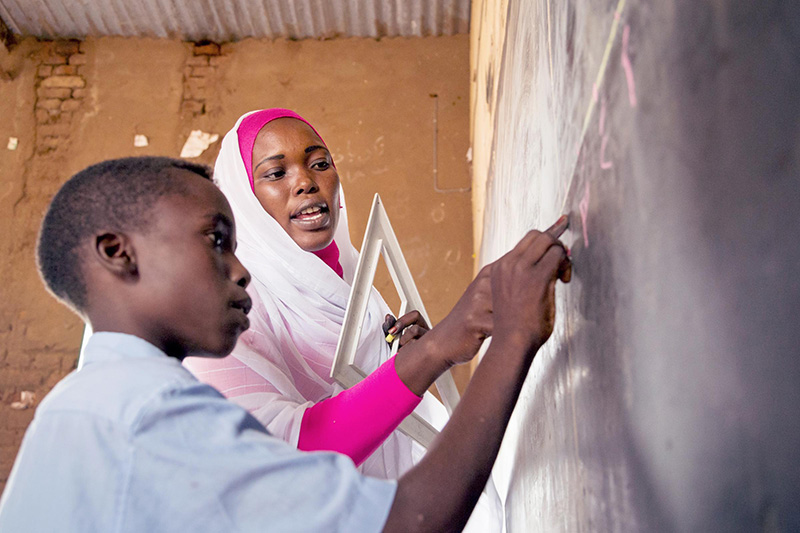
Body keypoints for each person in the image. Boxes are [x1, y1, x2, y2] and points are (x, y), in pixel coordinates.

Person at [0, 156, 571, 532]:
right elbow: (412, 521)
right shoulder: (145, 412)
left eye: (320, 163)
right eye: (216, 240)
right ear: (117, 252)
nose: (241, 271)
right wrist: (515, 337)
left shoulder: (95, 406)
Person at [183, 109, 502, 529]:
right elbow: (287, 454)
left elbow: (378, 395)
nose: (305, 182)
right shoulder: (228, 312)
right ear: (243, 198)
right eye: (276, 174)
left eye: (319, 164)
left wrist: (405, 357)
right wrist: (433, 356)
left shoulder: (351, 282)